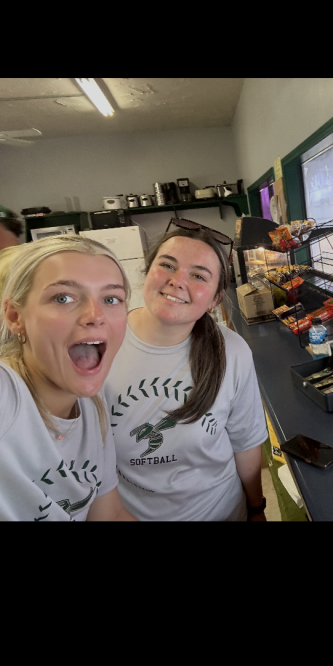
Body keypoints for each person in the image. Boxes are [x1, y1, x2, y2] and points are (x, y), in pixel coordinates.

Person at [105, 219, 269, 522]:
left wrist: (257, 509)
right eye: (167, 265)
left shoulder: (232, 352)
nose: (178, 281)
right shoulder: (103, 344)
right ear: (147, 271)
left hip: (222, 513)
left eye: (198, 275)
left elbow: (245, 443)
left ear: (215, 298)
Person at [0, 235, 137, 522]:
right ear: (14, 317)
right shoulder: (3, 395)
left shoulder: (93, 407)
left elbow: (108, 515)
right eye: (63, 298)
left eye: (111, 299)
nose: (95, 315)